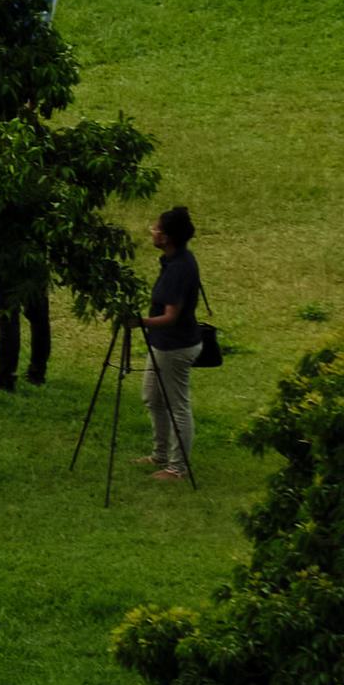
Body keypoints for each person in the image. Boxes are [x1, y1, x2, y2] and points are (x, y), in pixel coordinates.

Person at [142, 203, 208, 483]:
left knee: (177, 405)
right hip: (162, 343)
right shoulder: (174, 260)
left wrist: (140, 322)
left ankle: (177, 468)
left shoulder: (179, 268)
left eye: (156, 229)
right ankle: (160, 454)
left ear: (166, 237)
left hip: (176, 346)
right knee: (153, 397)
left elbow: (170, 317)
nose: (152, 232)